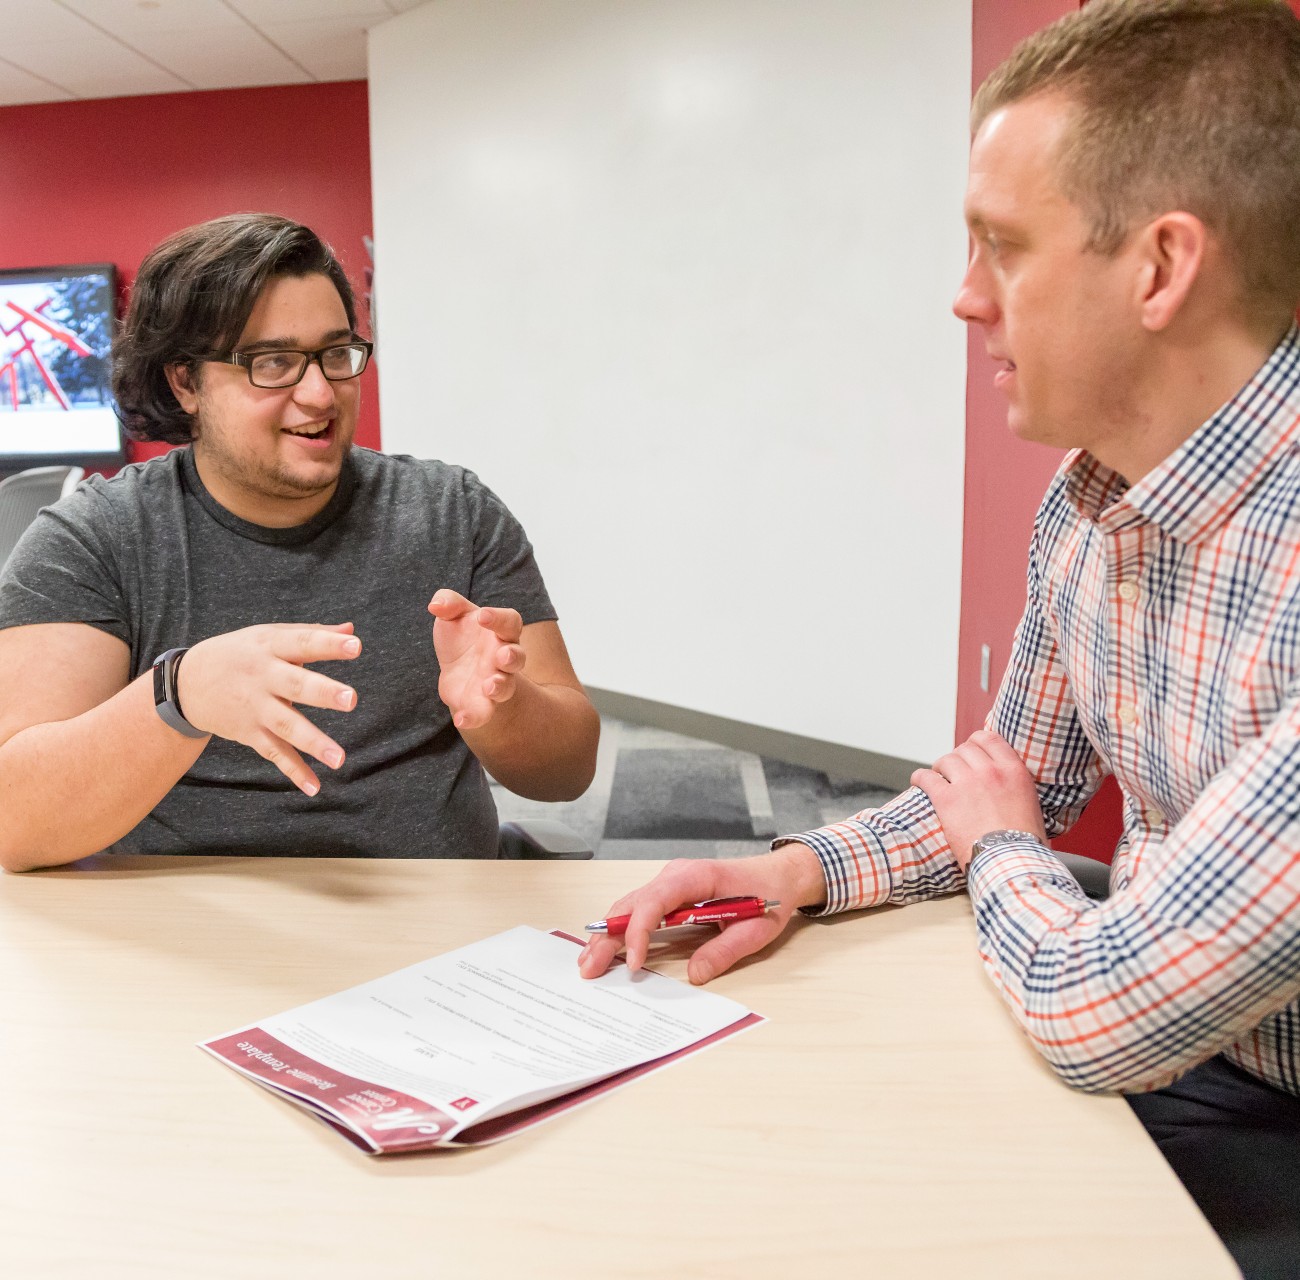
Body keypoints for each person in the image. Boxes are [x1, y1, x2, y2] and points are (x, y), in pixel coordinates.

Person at [579, 2, 1300, 1273]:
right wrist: (797, 869)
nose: (963, 299)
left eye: (1000, 247)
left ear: (1158, 267)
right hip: (1186, 1027)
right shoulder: (1090, 499)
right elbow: (1000, 776)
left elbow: (1095, 1004)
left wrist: (1005, 850)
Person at [0, 213, 599, 869]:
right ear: (184, 382)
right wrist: (181, 694)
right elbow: (15, 825)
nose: (320, 394)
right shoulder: (95, 538)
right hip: (191, 935)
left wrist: (504, 710)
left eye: (336, 354)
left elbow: (566, 774)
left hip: (435, 926)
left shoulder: (453, 513)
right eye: (273, 363)